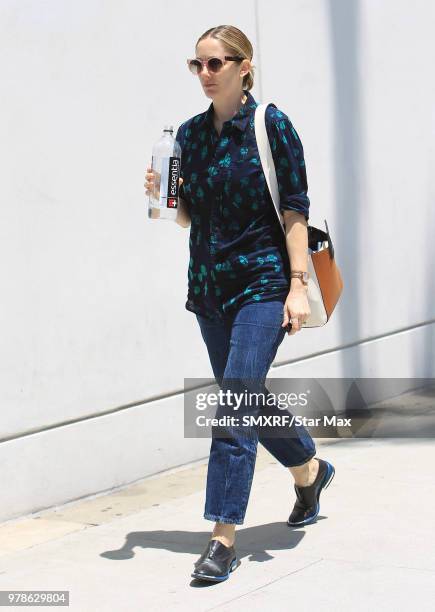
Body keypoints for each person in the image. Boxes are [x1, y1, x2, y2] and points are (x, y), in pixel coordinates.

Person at [144, 24, 335, 584]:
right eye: (197, 65)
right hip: (209, 285)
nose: (205, 74)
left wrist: (297, 283)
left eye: (216, 64)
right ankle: (310, 470)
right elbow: (187, 216)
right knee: (243, 392)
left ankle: (223, 536)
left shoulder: (271, 123)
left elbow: (295, 209)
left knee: (233, 402)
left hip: (264, 281)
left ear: (244, 66)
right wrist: (161, 193)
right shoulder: (190, 135)